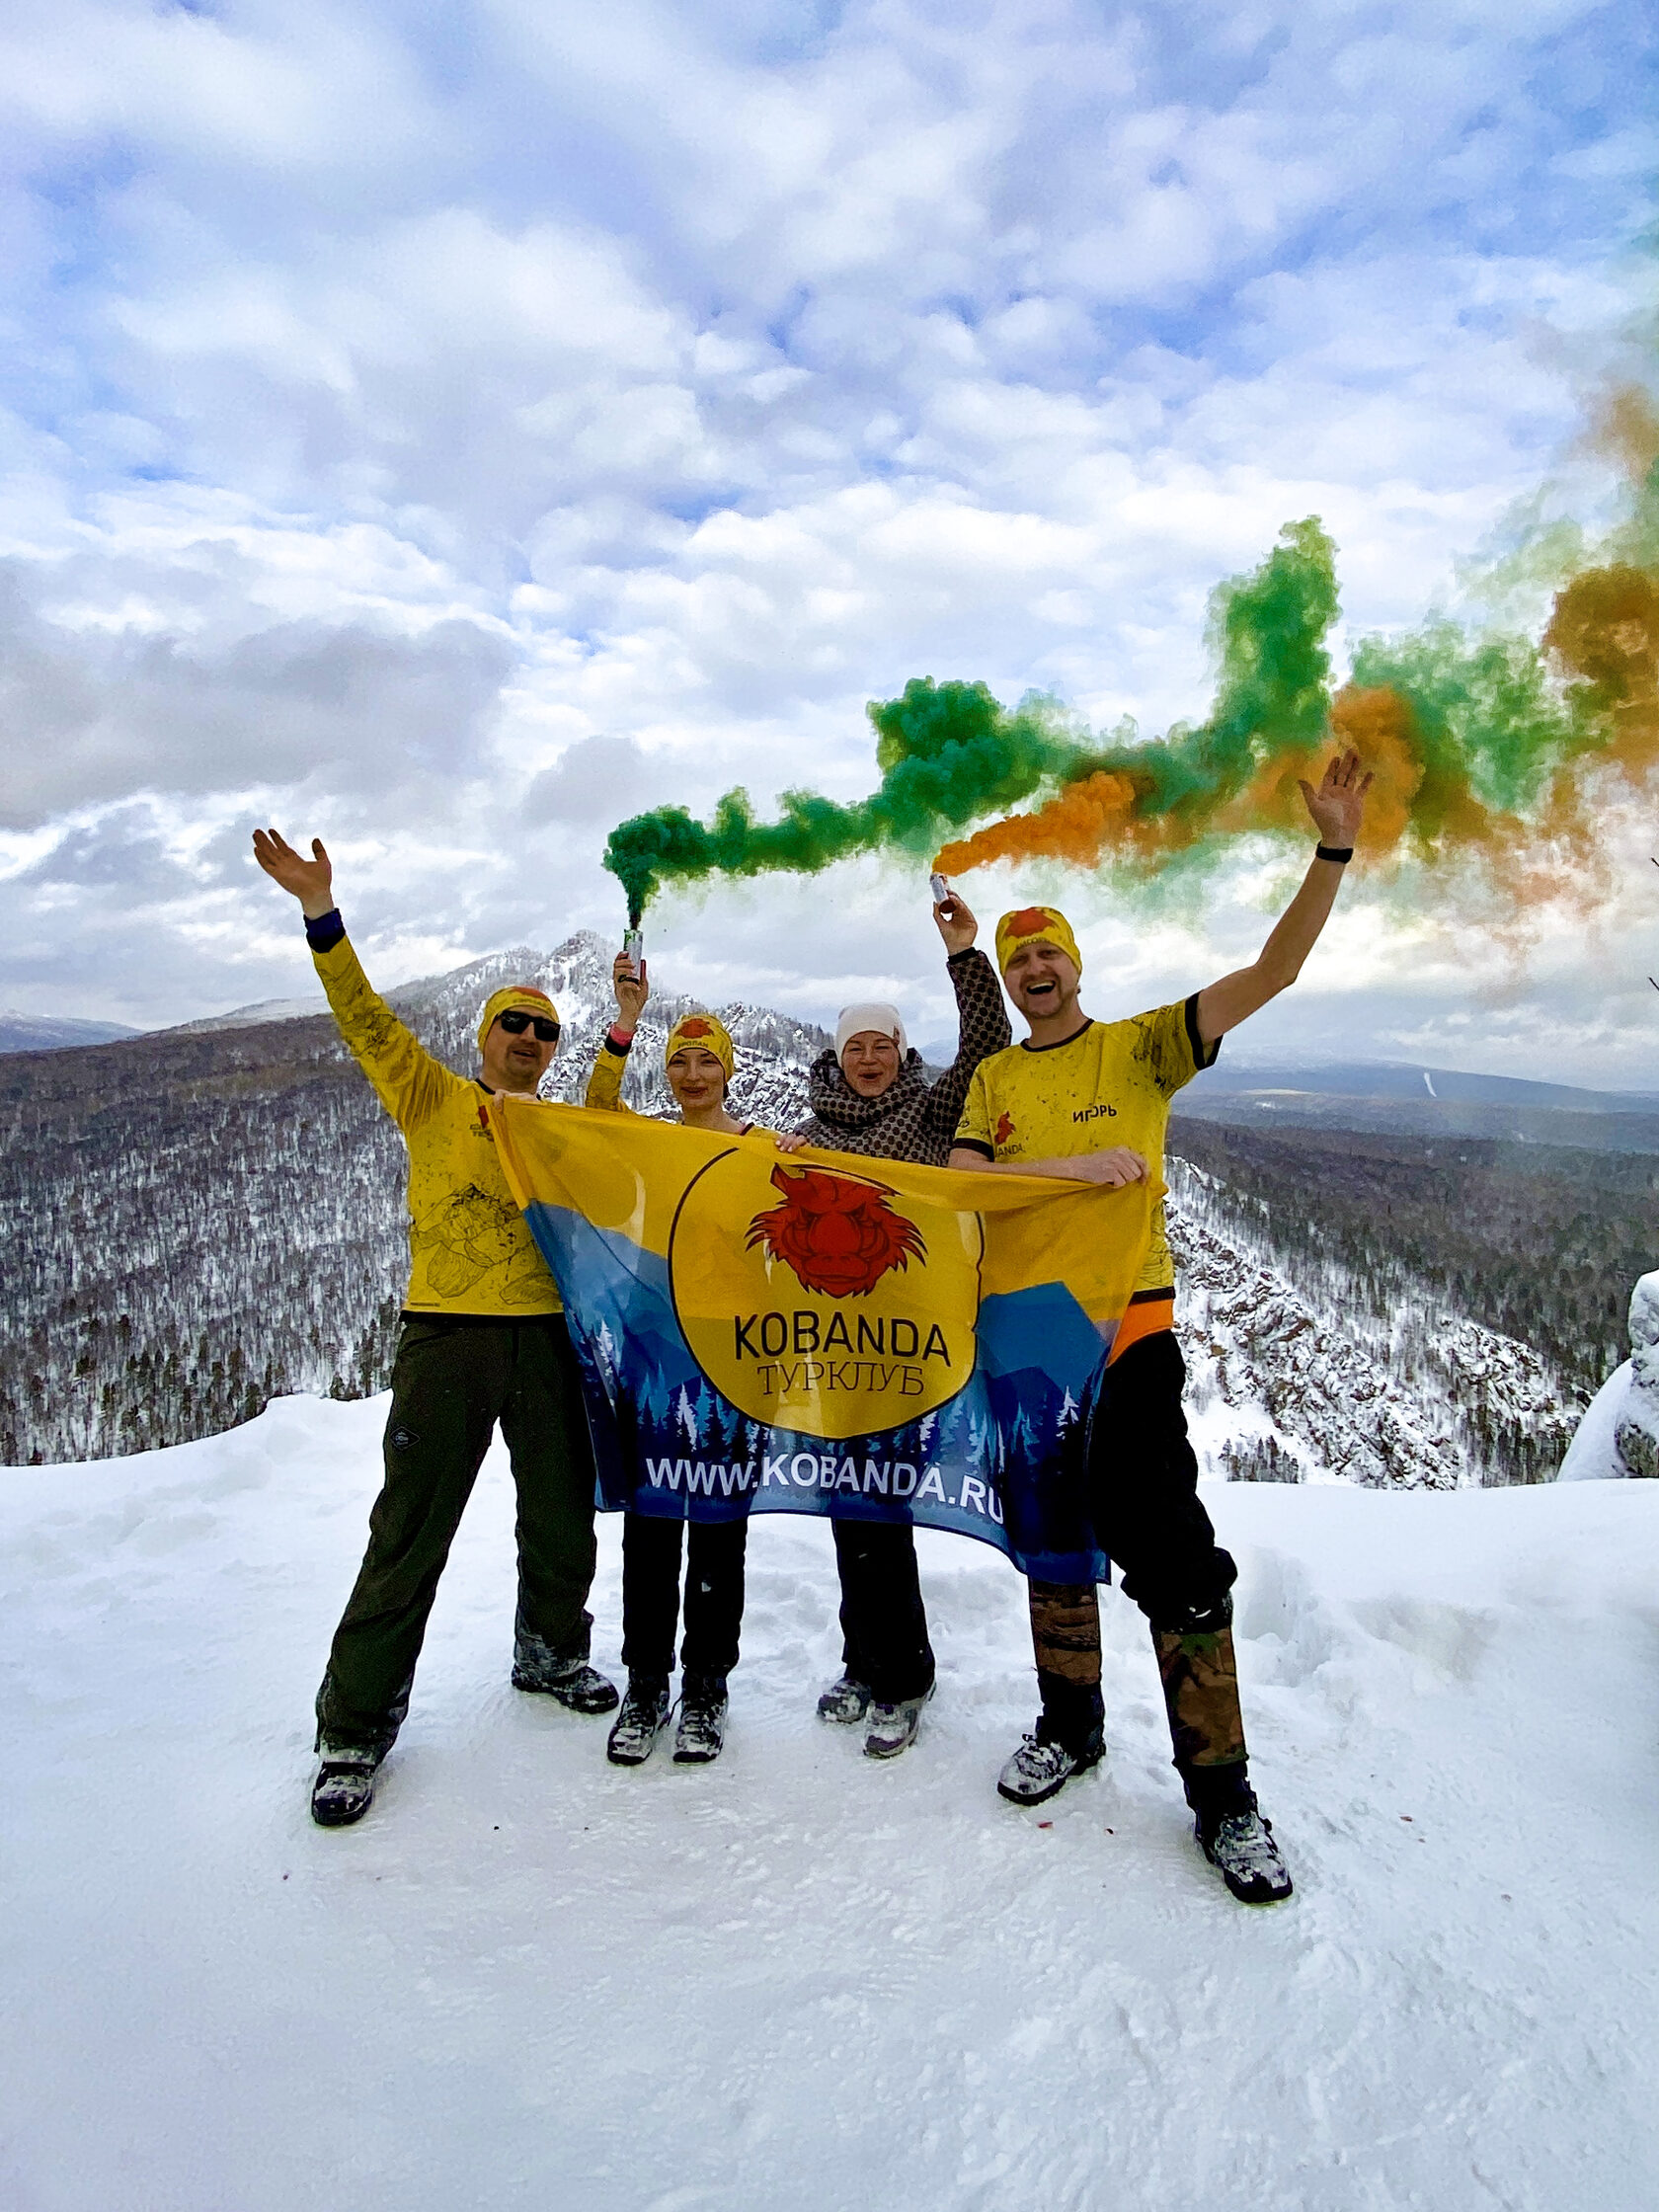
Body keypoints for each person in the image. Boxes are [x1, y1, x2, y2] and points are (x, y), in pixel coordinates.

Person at [948, 751, 1373, 1903]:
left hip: (1128, 1334)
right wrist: (1074, 1168)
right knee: (1051, 1542)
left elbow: (1271, 973)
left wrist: (1331, 849)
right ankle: (1070, 1726)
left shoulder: (1139, 1044)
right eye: (1018, 954)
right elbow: (961, 1187)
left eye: (1050, 952)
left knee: (1175, 1556)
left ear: (1075, 967)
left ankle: (1225, 1797)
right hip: (1025, 1346)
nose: (1034, 966)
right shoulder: (992, 1080)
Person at [253, 828, 617, 1829]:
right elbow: (363, 1018)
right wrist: (321, 913)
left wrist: (621, 1031)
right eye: (514, 1023)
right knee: (410, 1530)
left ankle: (551, 1650)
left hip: (545, 1334)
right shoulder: (431, 1094)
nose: (529, 1041)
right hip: (447, 1334)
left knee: (559, 1511)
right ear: (483, 1034)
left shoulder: (557, 1121)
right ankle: (354, 1724)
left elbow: (613, 1123)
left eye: (544, 1032)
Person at [775, 885, 1010, 1759]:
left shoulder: (933, 1106)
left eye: (883, 1045)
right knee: (849, 1508)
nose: (870, 1059)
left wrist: (964, 955)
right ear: (838, 1060)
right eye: (856, 1047)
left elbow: (988, 1045)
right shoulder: (811, 1131)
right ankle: (861, 1659)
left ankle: (904, 1677)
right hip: (835, 1349)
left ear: (902, 1052)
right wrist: (777, 1166)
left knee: (882, 1509)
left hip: (911, 1346)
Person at [584, 955, 767, 1768]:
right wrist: (626, 1023)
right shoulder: (649, 1140)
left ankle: (705, 1689)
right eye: (681, 1061)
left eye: (708, 1060)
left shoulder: (764, 1148)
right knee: (654, 1526)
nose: (694, 1074)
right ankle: (647, 1683)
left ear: (728, 1071)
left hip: (730, 1361)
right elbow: (593, 1108)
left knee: (720, 1525)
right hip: (657, 1359)